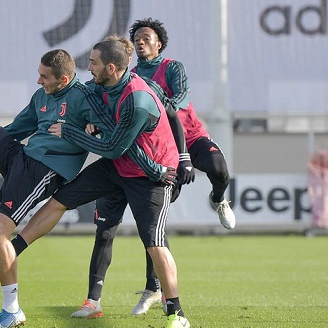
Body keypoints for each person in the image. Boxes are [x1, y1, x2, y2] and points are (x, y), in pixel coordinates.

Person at [0, 22, 176, 328]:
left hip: (44, 170)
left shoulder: (86, 98)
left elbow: (115, 140)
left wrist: (150, 165)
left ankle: (12, 309)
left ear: (63, 79)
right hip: (21, 157)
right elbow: (15, 130)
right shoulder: (41, 96)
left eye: (44, 77)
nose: (38, 80)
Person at [0, 35, 192, 328]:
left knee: (154, 242)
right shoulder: (99, 86)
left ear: (111, 68)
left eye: (93, 62)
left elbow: (114, 147)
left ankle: (177, 313)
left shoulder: (136, 100)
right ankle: (15, 248)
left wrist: (71, 132)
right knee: (61, 200)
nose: (89, 67)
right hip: (117, 167)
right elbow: (108, 138)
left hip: (151, 175)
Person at [69, 18, 235, 319]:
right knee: (151, 229)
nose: (142, 41)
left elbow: (178, 103)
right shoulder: (125, 78)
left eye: (148, 37)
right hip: (156, 150)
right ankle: (150, 289)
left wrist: (183, 155)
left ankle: (219, 198)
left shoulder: (170, 68)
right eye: (138, 37)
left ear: (159, 44)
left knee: (218, 168)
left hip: (187, 138)